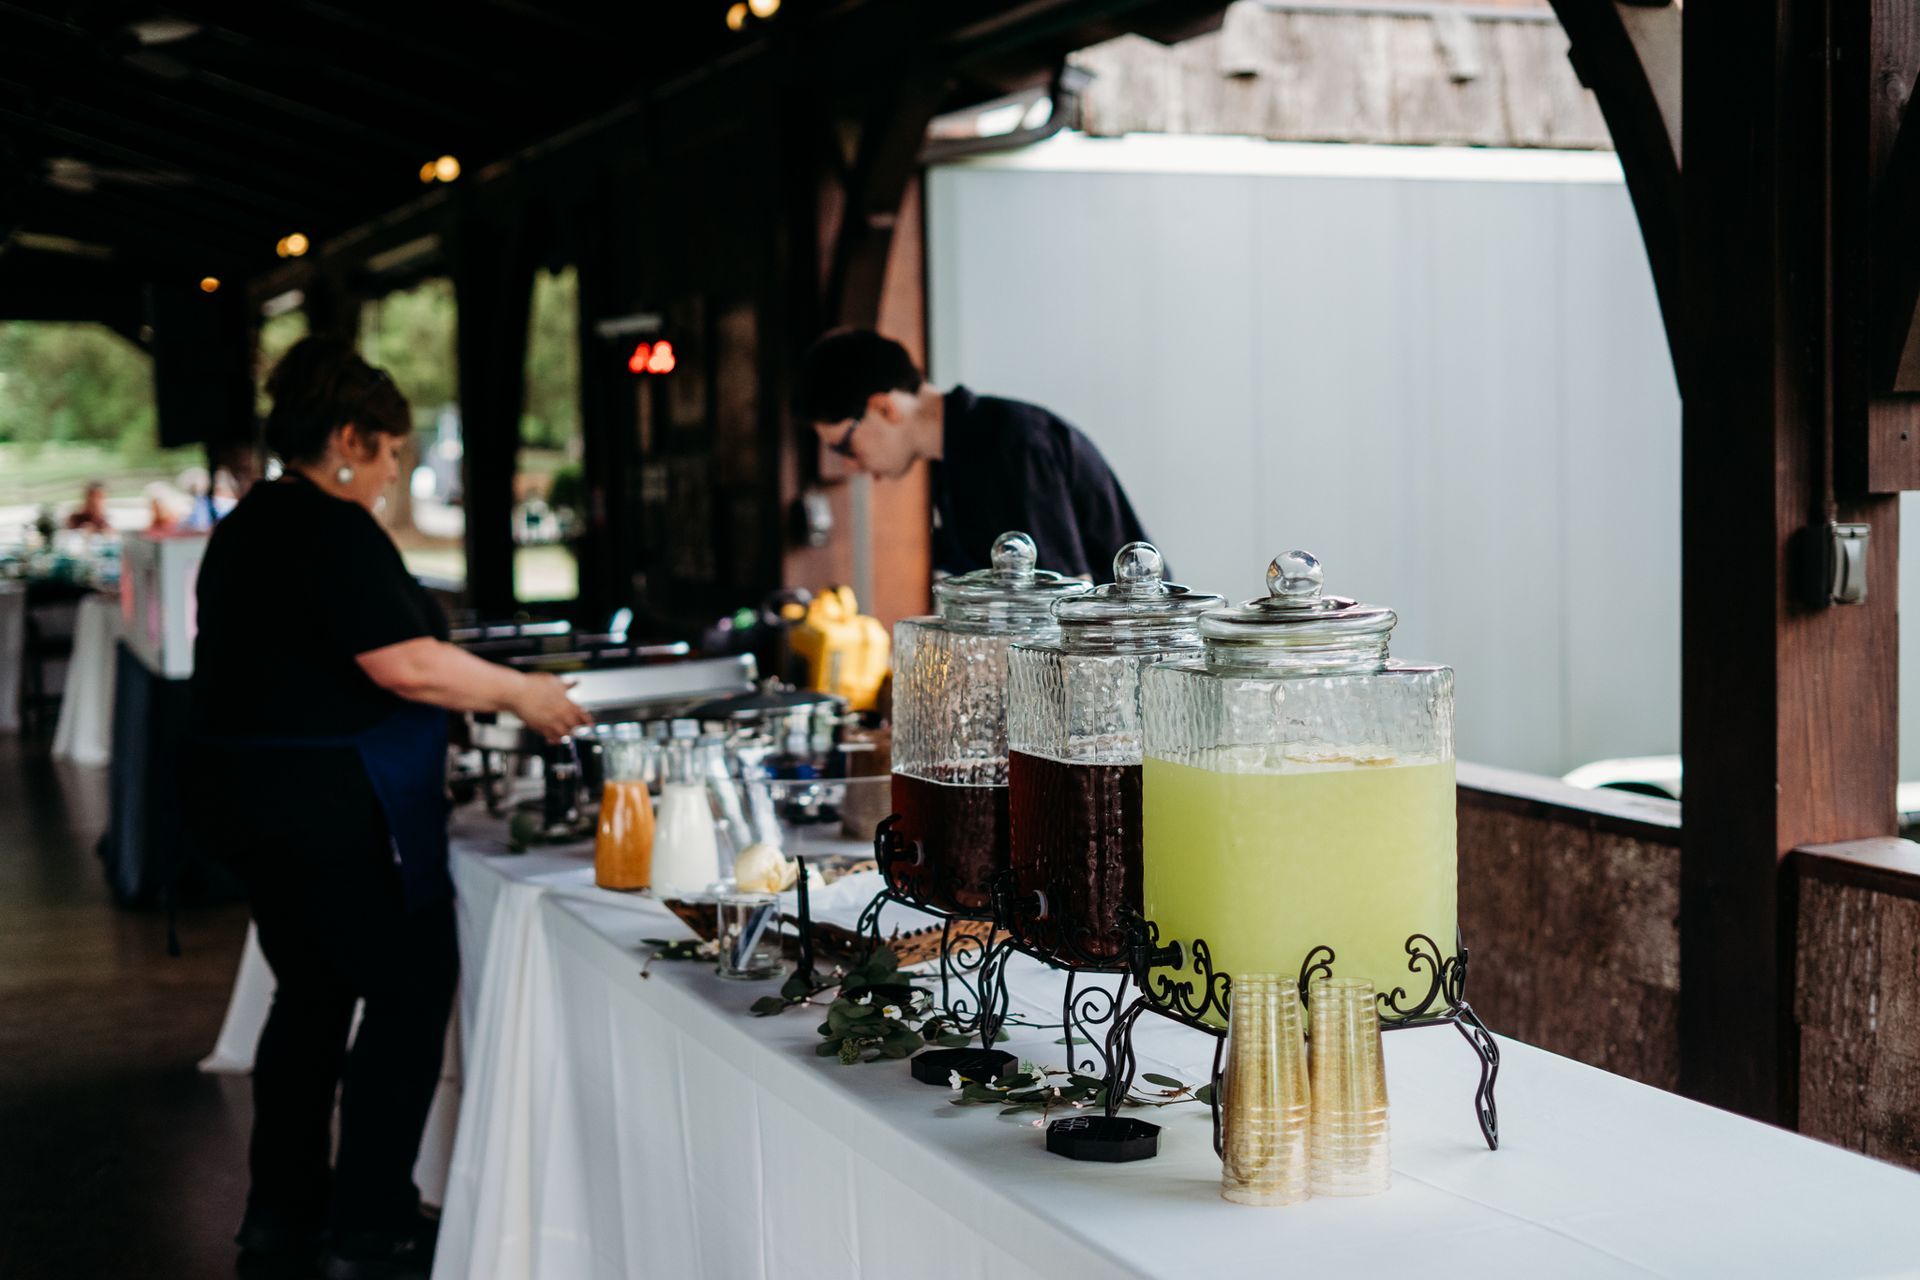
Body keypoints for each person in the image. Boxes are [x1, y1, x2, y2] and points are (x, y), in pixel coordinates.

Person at [189, 338, 591, 1280]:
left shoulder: (251, 522)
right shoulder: (330, 528)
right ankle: (371, 1220)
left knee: (313, 992)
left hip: (250, 805)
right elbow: (401, 661)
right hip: (329, 808)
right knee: (410, 986)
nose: (394, 471)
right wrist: (521, 693)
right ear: (347, 440)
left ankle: (282, 1214)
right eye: (391, 453)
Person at [793, 329, 1157, 579]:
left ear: (884, 408)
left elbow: (1062, 599)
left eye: (844, 445)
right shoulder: (953, 462)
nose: (850, 465)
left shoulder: (1011, 443)